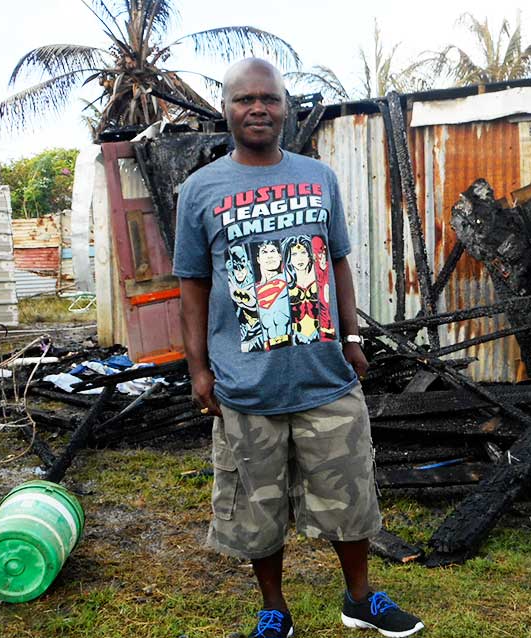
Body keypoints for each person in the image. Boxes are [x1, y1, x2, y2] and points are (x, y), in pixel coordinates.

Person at [173, 58, 424, 638]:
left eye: (269, 98)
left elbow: (337, 261)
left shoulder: (319, 177)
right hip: (245, 384)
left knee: (350, 496)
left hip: (324, 377)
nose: (257, 108)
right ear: (226, 109)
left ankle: (360, 598)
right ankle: (274, 610)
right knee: (256, 509)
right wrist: (198, 369)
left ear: (286, 108)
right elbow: (192, 285)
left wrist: (352, 338)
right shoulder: (201, 190)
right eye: (244, 99)